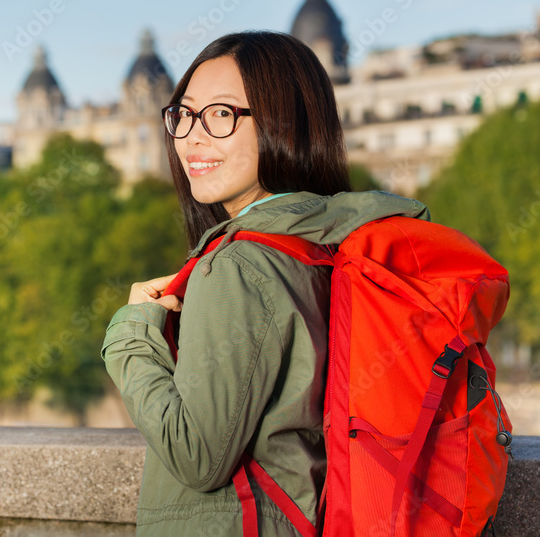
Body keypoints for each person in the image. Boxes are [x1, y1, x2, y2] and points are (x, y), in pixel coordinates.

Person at [100, 30, 429, 535]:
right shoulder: (326, 244)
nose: (192, 136)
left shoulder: (239, 266)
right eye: (184, 114)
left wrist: (130, 336)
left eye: (221, 114)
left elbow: (197, 455)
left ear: (283, 124)